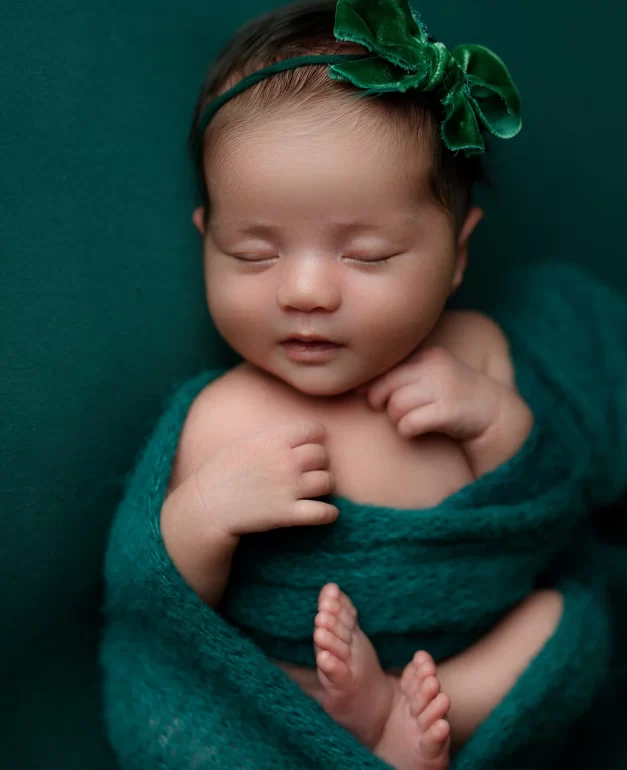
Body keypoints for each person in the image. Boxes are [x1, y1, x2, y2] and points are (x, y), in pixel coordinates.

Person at [160, 1, 563, 768]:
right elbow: (164, 601)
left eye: (368, 254)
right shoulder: (222, 416)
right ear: (206, 237)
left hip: (460, 652)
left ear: (456, 253)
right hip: (292, 681)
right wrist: (204, 515)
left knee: (563, 618)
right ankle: (353, 730)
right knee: (249, 683)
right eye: (253, 252)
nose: (305, 291)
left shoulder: (476, 353)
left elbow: (540, 521)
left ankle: (421, 706)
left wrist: (492, 421)